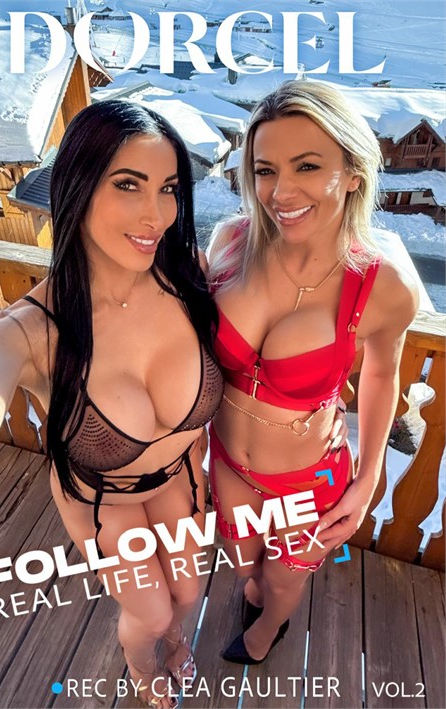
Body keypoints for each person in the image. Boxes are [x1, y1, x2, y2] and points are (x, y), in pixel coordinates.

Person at [0, 101, 225, 708]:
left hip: (181, 478)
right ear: (75, 187)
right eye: (128, 184)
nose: (156, 214)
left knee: (185, 595)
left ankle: (176, 640)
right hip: (104, 499)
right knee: (149, 612)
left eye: (169, 188)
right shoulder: (23, 335)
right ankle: (144, 668)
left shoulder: (190, 279)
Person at [207, 80, 418, 664]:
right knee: (244, 566)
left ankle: (268, 631)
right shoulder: (229, 243)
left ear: (352, 172)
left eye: (307, 166)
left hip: (309, 481)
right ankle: (257, 595)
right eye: (265, 170)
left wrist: (368, 479)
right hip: (228, 464)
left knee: (282, 582)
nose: (281, 192)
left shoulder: (383, 287)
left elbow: (381, 377)